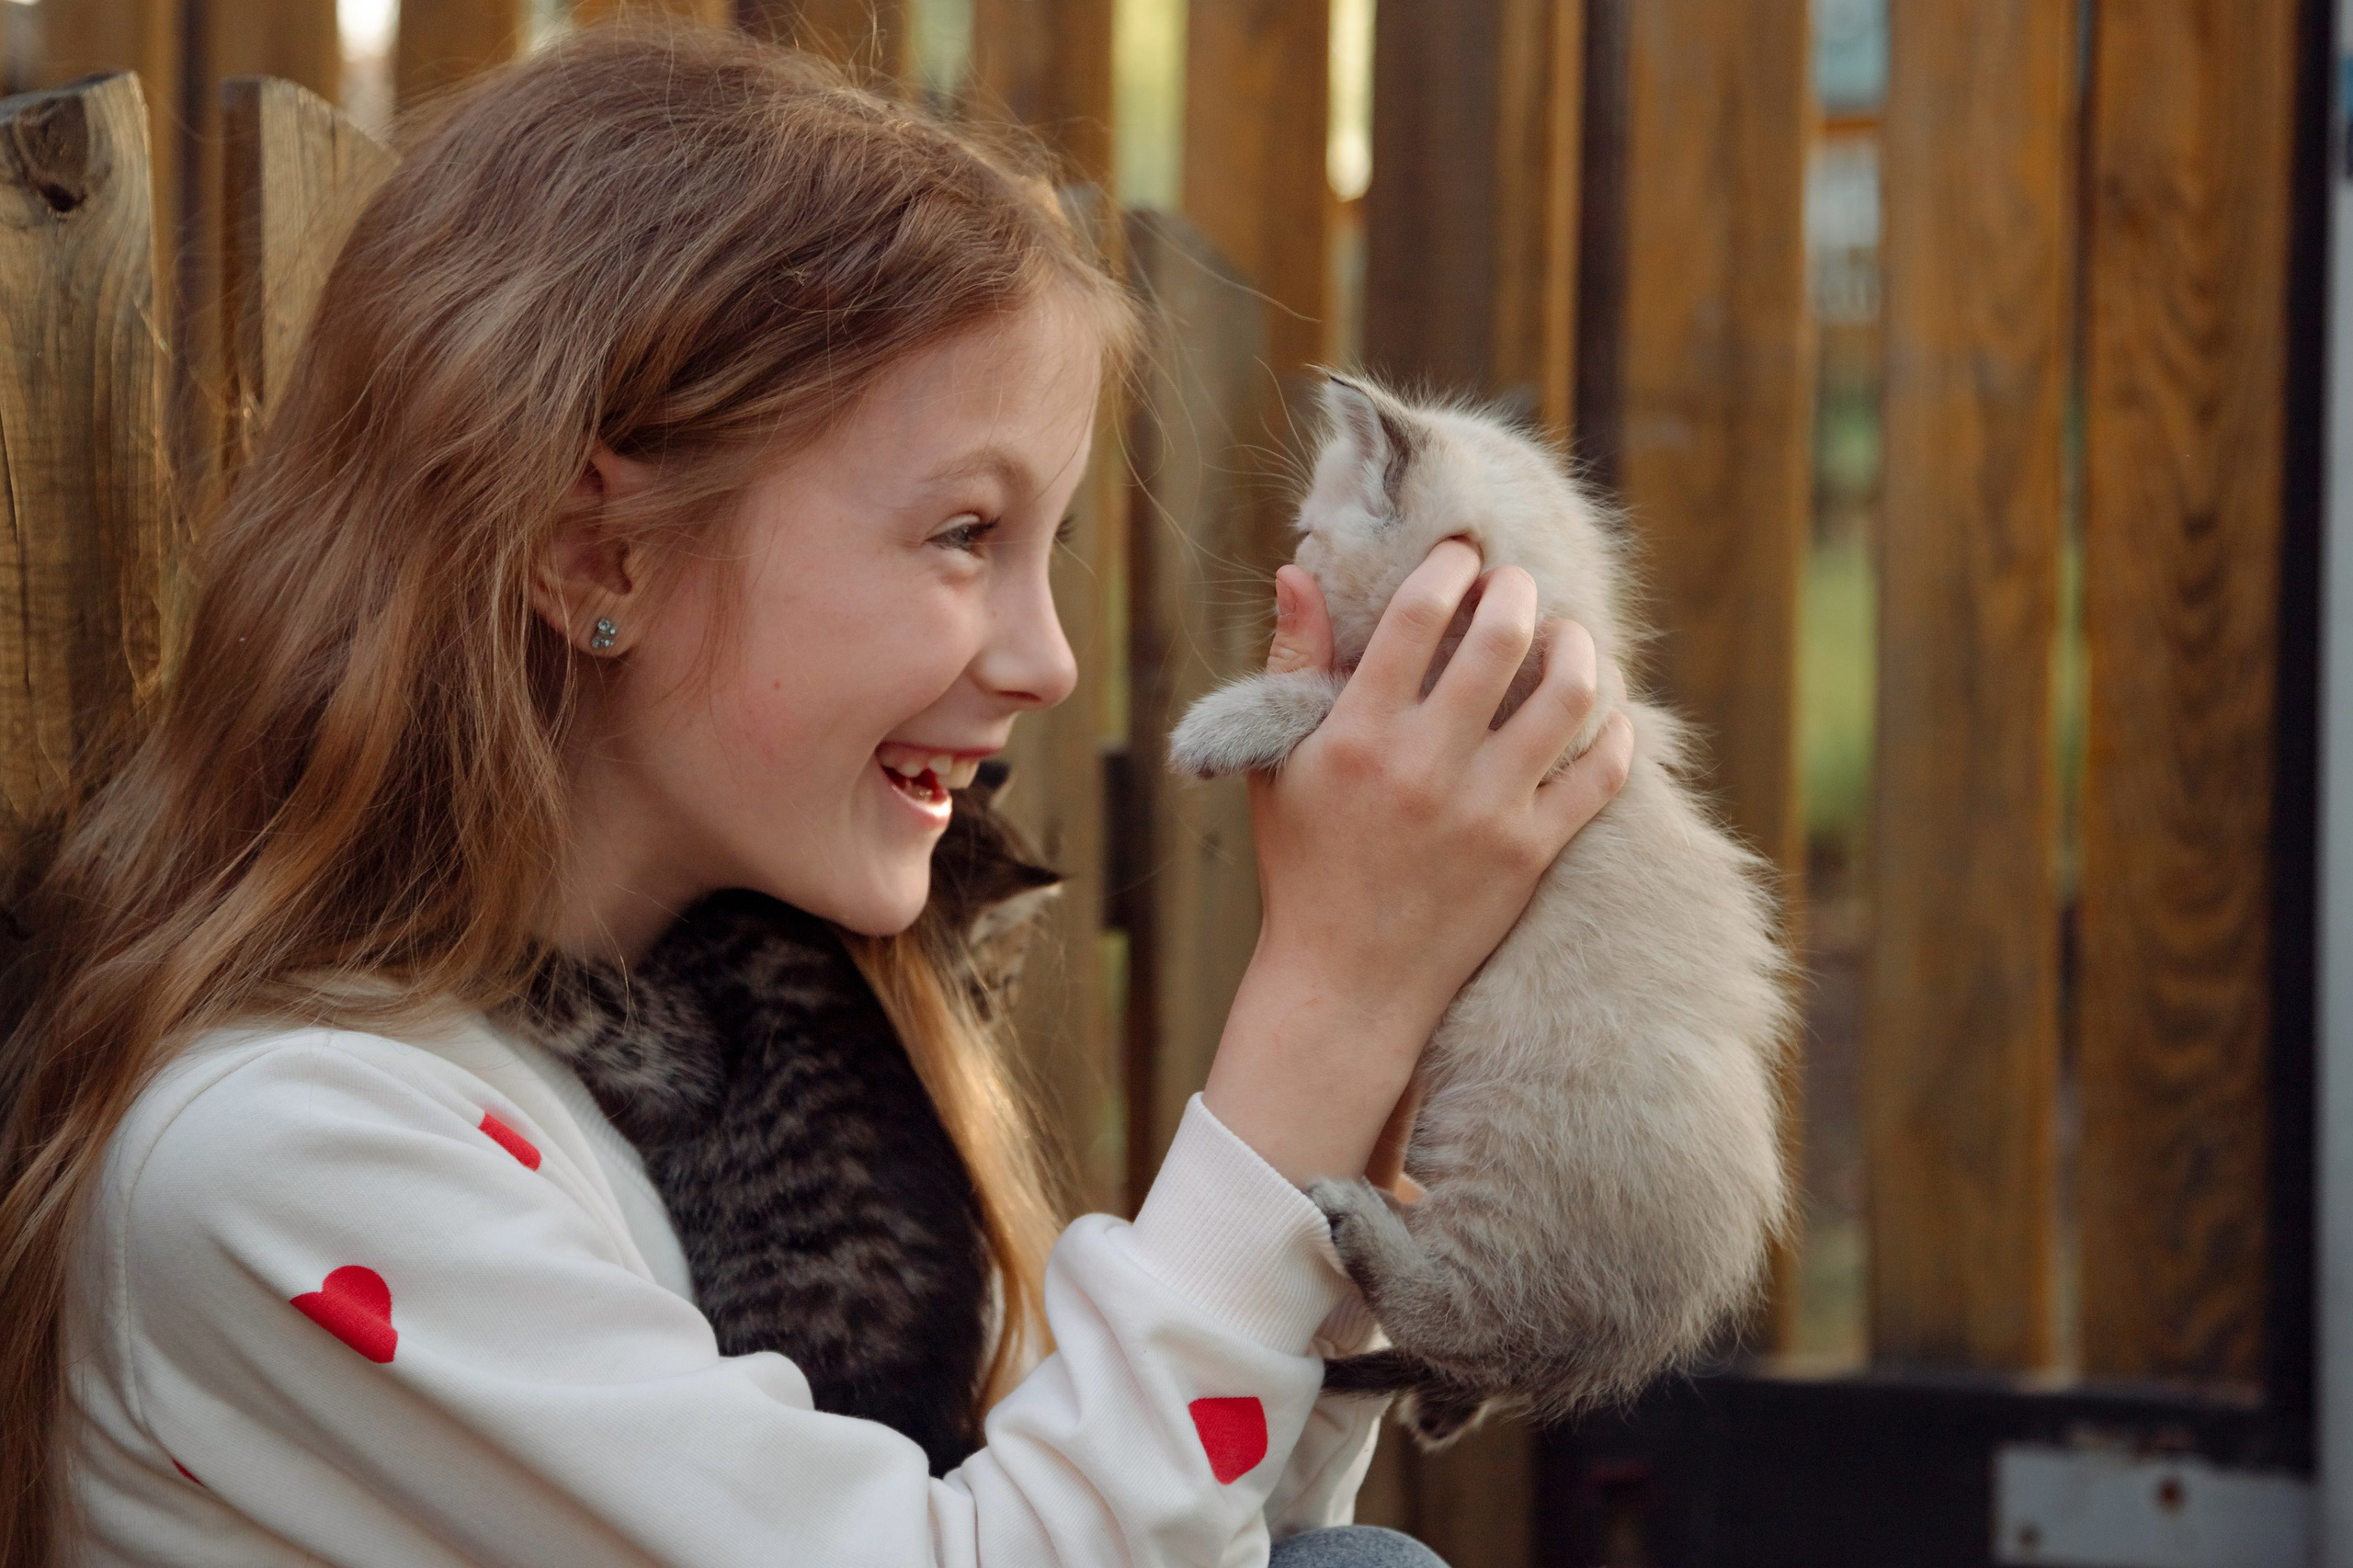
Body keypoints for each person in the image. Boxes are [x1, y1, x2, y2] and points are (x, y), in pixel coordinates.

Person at [0, 24, 1632, 1568]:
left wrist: (1339, 1158)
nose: (1049, 659)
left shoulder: (786, 1050)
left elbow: (1166, 1527)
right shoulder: (283, 1159)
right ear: (599, 558)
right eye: (963, 535)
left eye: (1046, 549)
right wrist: (1329, 1002)